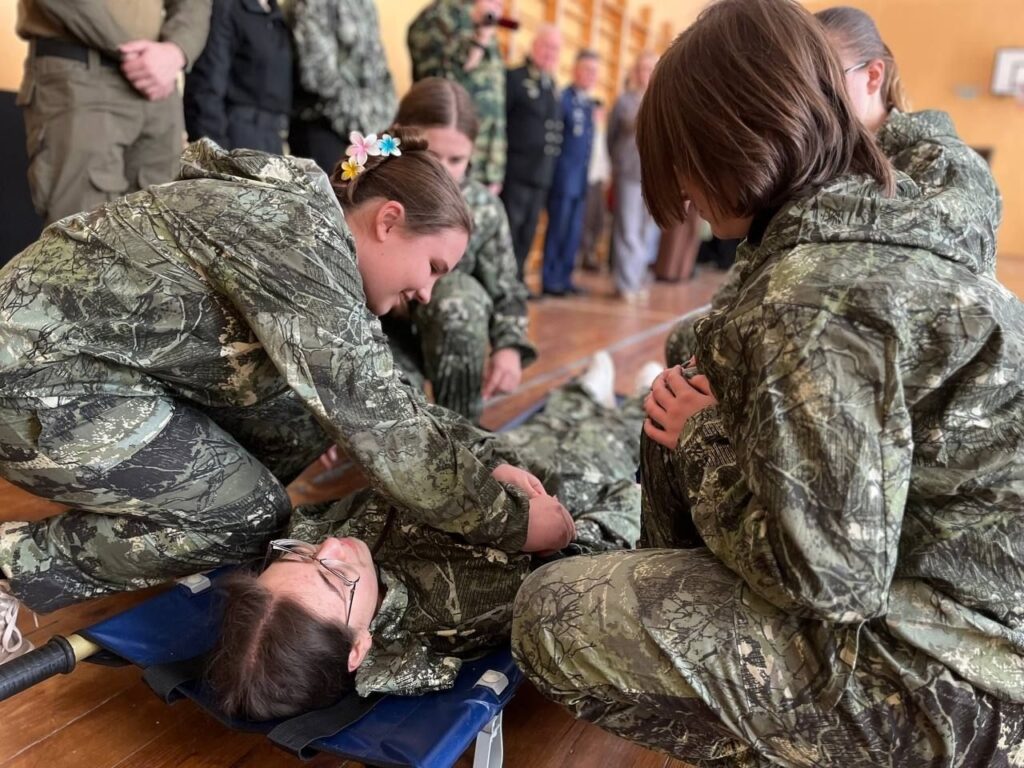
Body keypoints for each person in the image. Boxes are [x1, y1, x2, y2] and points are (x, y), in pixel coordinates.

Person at [512, 1, 1024, 765]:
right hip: (961, 612)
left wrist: (704, 441)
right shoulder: (869, 216)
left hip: (962, 681)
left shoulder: (814, 295)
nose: (681, 191)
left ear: (732, 138)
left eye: (683, 159)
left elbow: (835, 582)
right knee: (692, 357)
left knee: (554, 615)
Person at [0, 127, 571, 666]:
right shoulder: (300, 241)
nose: (427, 291)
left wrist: (485, 463)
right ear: (389, 220)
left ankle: (167, 517)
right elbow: (386, 432)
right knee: (248, 517)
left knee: (301, 421)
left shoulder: (315, 233)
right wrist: (512, 522)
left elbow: (387, 397)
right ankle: (11, 566)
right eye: (434, 267)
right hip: (34, 379)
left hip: (89, 370)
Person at [207, 352, 662, 719]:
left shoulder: (313, 552)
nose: (330, 547)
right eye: (333, 576)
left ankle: (584, 395)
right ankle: (634, 403)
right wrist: (609, 509)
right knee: (611, 442)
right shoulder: (460, 608)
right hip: (568, 491)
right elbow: (591, 555)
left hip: (487, 461)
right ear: (359, 647)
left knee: (545, 427)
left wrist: (493, 468)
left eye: (297, 555)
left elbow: (421, 444)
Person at [663, 2, 1004, 369]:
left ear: (873, 76)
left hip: (875, 359)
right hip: (814, 334)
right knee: (686, 343)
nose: (810, 97)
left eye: (825, 83)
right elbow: (762, 263)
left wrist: (723, 396)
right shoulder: (821, 157)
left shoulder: (944, 163)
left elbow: (932, 314)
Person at [381, 78, 536, 423]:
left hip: (447, 335)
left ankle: (461, 431)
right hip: (377, 337)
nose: (444, 170)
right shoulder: (367, 191)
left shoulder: (484, 208)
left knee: (460, 296)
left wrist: (510, 347)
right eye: (432, 155)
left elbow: (507, 289)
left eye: (457, 159)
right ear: (400, 136)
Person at [15, 0, 211, 224]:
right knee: (87, 234)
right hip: (80, 72)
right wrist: (141, 55)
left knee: (160, 229)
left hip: (158, 83)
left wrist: (176, 50)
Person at [287, 0, 397, 174]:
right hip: (325, 127)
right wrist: (361, 122)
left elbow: (379, 70)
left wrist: (379, 124)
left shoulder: (365, 4)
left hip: (366, 133)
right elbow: (319, 78)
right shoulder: (312, 4)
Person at [408, 0, 507, 193]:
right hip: (446, 158)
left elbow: (495, 105)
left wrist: (494, 168)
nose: (499, 4)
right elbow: (441, 86)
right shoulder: (439, 17)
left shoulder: (485, 25)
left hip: (482, 162)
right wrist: (479, 39)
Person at [183, 0, 293, 153]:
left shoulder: (277, 14)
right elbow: (205, 88)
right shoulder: (227, 8)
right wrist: (217, 154)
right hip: (238, 134)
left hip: (273, 137)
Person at [500, 25, 563, 281]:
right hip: (517, 171)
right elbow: (502, 122)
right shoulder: (514, 78)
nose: (550, 53)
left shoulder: (551, 85)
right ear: (534, 46)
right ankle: (503, 282)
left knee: (528, 232)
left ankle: (517, 281)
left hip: (541, 174)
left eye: (555, 49)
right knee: (510, 230)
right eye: (546, 46)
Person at [540, 49, 599, 297]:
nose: (591, 75)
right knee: (558, 229)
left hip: (580, 180)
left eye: (595, 72)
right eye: (587, 70)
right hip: (563, 179)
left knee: (573, 232)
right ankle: (550, 279)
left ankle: (565, 277)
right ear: (575, 70)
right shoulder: (563, 99)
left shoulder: (587, 104)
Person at [607, 52, 658, 302]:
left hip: (654, 177)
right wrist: (617, 163)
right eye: (641, 68)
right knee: (627, 229)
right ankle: (625, 282)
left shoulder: (663, 102)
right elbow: (611, 137)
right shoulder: (624, 101)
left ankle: (637, 278)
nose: (645, 73)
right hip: (628, 174)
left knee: (646, 231)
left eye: (650, 68)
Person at [579, 100, 611, 272]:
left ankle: (591, 252)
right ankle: (584, 255)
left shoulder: (602, 132)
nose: (601, 116)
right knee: (586, 219)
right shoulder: (589, 132)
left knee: (598, 220)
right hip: (588, 180)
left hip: (600, 181)